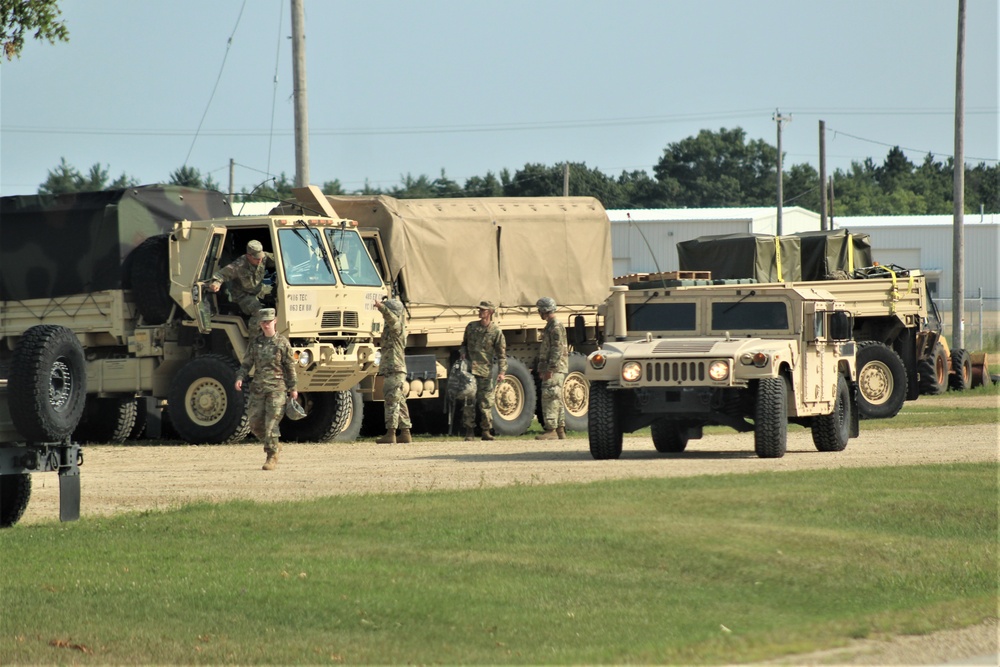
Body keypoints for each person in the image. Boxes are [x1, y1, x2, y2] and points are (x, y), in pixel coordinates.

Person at [234, 308, 298, 471]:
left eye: (268, 322)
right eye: (263, 322)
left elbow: (290, 367)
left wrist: (293, 388)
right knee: (255, 424)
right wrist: (240, 377)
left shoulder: (282, 343)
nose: (266, 325)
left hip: (277, 389)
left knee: (271, 425)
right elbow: (247, 363)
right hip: (258, 388)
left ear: (275, 321)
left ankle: (271, 456)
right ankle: (274, 444)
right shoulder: (255, 343)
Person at [460, 300, 506, 441]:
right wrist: (462, 353)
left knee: (486, 402)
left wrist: (502, 372)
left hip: (485, 371)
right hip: (469, 371)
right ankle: (469, 431)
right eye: (479, 310)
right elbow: (464, 344)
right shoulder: (471, 327)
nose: (480, 312)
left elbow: (501, 354)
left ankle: (486, 430)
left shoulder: (496, 331)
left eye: (483, 310)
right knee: (469, 401)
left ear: (490, 312)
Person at [207, 239, 275, 333]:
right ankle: (254, 339)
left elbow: (280, 259)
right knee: (259, 313)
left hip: (259, 290)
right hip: (243, 295)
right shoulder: (239, 265)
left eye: (261, 257)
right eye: (256, 258)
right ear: (248, 255)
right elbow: (221, 275)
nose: (260, 260)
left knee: (277, 297)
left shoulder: (264, 257)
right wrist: (216, 283)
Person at [374, 297, 412, 444]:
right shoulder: (392, 329)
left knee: (391, 400)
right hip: (395, 369)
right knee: (399, 400)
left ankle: (391, 433)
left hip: (394, 369)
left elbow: (390, 318)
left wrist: (381, 307)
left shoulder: (397, 326)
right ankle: (405, 432)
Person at [534, 297, 568, 440]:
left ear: (545, 310)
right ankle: (560, 430)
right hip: (554, 367)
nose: (539, 313)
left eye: (540, 310)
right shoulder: (551, 326)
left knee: (550, 396)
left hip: (555, 368)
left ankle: (551, 430)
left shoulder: (555, 326)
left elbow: (556, 350)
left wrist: (550, 369)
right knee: (555, 396)